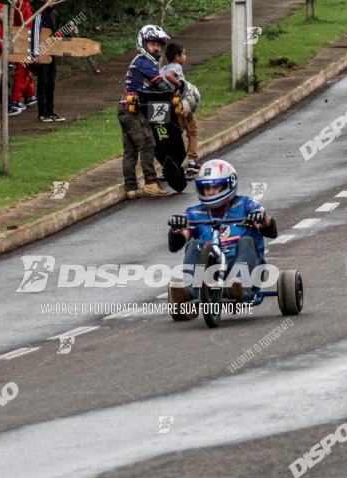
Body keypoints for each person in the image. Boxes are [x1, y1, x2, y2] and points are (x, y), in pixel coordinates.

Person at [167, 159, 278, 302]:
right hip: (210, 268)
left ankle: (239, 285)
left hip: (247, 267)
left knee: (246, 241)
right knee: (193, 245)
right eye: (206, 188)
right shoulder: (194, 213)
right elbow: (176, 243)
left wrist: (262, 218)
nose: (209, 192)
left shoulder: (244, 204)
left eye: (214, 187)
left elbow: (270, 230)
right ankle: (188, 290)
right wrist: (176, 229)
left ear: (228, 184)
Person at [118, 25, 173, 198]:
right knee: (148, 143)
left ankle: (131, 188)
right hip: (133, 110)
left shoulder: (140, 61)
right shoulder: (144, 62)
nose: (157, 48)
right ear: (143, 43)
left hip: (126, 108)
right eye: (152, 44)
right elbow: (160, 86)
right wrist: (174, 93)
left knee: (131, 150)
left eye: (159, 44)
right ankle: (150, 183)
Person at [161, 42, 200, 175]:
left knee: (173, 134)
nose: (185, 56)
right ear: (177, 57)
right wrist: (180, 85)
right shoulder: (176, 67)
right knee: (192, 131)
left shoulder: (163, 68)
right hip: (181, 104)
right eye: (184, 54)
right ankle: (192, 161)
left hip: (169, 106)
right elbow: (169, 76)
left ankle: (169, 163)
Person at [34, 1, 68, 122]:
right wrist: (36, 54)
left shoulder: (55, 14)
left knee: (51, 82)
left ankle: (50, 111)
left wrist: (68, 30)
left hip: (52, 53)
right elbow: (35, 34)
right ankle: (42, 113)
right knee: (42, 82)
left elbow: (56, 34)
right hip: (41, 53)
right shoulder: (39, 14)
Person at [10, 0, 37, 115]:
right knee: (23, 70)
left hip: (22, 38)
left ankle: (29, 95)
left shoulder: (20, 3)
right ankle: (15, 99)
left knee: (26, 69)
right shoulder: (22, 4)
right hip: (24, 39)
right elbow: (26, 24)